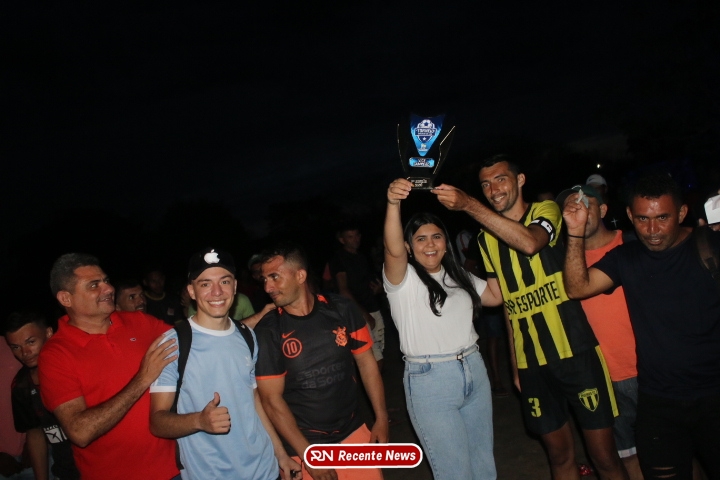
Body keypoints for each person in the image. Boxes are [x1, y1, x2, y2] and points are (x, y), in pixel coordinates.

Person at [433, 154, 628, 480]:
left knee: (604, 457)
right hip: (532, 363)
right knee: (559, 456)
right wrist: (515, 365)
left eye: (500, 179)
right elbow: (504, 301)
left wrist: (467, 204)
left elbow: (530, 243)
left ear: (520, 180)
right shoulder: (484, 239)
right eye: (485, 184)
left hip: (576, 352)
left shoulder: (546, 210)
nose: (493, 189)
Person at [562, 170, 720, 479]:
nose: (652, 230)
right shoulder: (626, 257)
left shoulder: (709, 246)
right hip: (658, 402)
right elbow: (577, 287)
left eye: (663, 218)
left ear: (682, 213)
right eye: (643, 219)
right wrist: (575, 232)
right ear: (630, 215)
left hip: (714, 395)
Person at [383, 178, 504, 480]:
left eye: (436, 237)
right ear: (409, 246)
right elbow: (393, 251)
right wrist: (393, 203)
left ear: (445, 242)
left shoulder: (458, 275)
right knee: (455, 472)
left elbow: (495, 296)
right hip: (431, 381)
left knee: (484, 465)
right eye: (421, 239)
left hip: (474, 369)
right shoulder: (403, 280)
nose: (430, 244)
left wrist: (494, 247)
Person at [150, 248, 301, 480]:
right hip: (210, 474)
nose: (217, 292)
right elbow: (157, 422)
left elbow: (254, 402)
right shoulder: (173, 343)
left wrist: (280, 454)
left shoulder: (247, 336)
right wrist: (199, 421)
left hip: (264, 470)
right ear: (191, 291)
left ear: (235, 286)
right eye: (205, 284)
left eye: (224, 281)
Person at [38, 253, 179, 480]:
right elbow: (79, 431)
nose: (108, 288)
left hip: (174, 470)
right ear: (66, 298)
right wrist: (143, 378)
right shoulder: (55, 355)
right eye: (94, 285)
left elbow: (196, 342)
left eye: (106, 280)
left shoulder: (139, 322)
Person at [255, 243, 388, 480]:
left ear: (300, 276)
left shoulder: (342, 309)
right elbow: (271, 399)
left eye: (274, 277)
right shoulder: (269, 330)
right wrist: (308, 455)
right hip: (303, 444)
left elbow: (367, 363)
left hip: (353, 432)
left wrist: (381, 418)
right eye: (264, 279)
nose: (268, 287)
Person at [556, 185, 642, 480]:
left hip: (650, 371)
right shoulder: (563, 261)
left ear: (604, 210)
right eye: (572, 206)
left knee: (674, 453)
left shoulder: (634, 243)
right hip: (601, 378)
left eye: (586, 203)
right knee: (627, 456)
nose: (579, 210)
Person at [4, 311, 80, 480]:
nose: (24, 352)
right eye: (15, 347)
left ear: (49, 333)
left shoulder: (76, 368)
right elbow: (35, 433)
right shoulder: (22, 385)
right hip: (65, 472)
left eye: (30, 342)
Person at [329, 226, 385, 369]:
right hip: (358, 312)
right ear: (342, 240)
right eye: (350, 237)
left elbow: (368, 281)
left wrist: (379, 289)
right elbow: (343, 290)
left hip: (373, 306)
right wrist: (364, 314)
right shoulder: (339, 259)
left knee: (379, 353)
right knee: (373, 358)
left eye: (357, 235)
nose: (355, 239)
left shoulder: (361, 256)